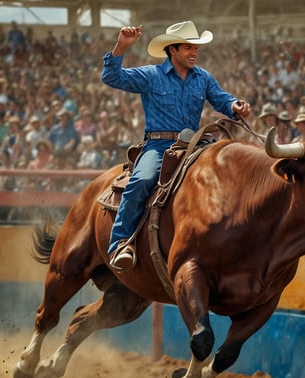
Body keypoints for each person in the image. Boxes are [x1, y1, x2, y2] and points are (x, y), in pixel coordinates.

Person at [100, 21, 250, 270]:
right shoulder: (151, 76)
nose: (194, 53)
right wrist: (121, 47)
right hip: (159, 146)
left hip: (196, 145)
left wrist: (235, 105)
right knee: (142, 180)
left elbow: (222, 99)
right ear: (173, 50)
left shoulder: (203, 77)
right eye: (188, 48)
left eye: (196, 48)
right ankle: (120, 243)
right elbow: (112, 76)